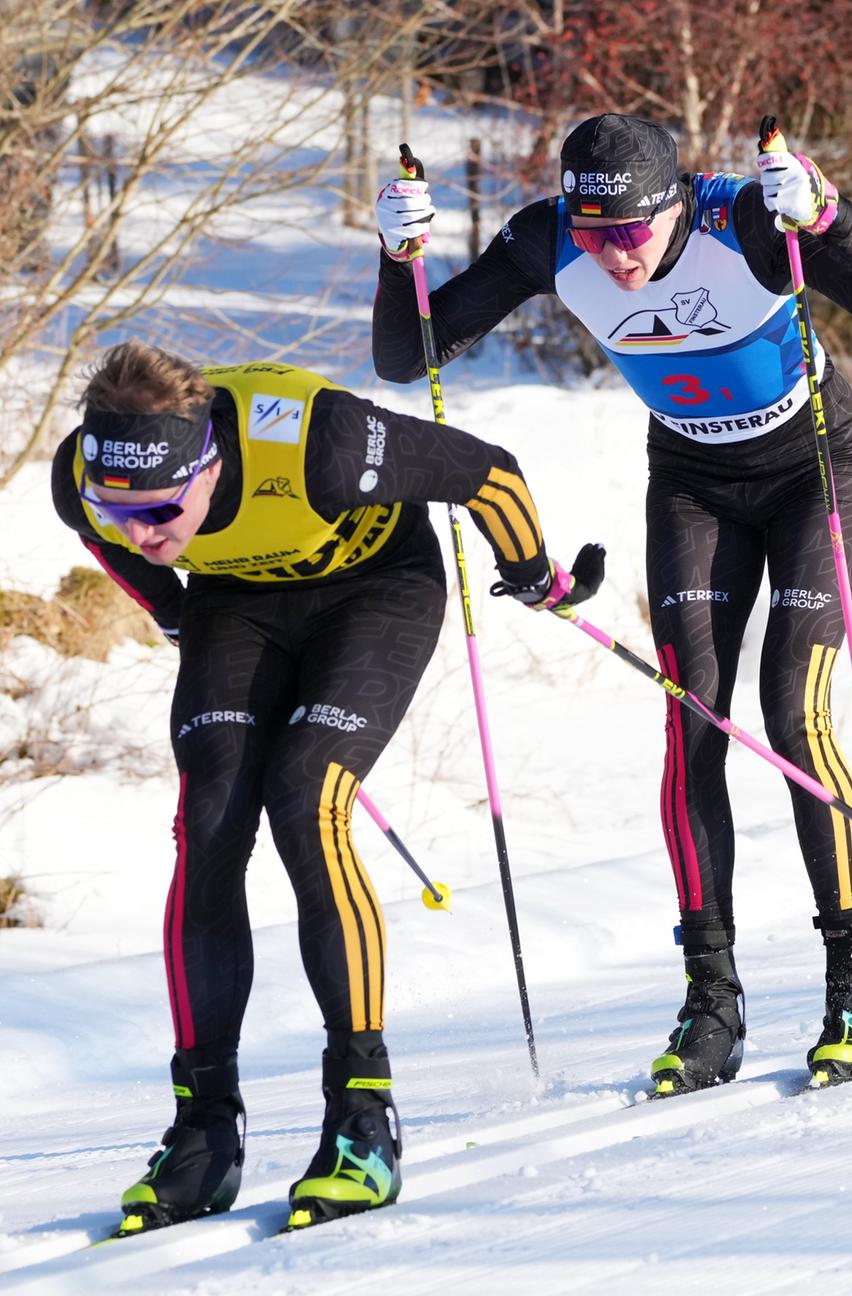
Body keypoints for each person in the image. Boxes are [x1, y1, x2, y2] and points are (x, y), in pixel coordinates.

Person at [372, 114, 852, 1095]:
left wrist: (830, 218)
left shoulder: (745, 220)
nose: (613, 255)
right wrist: (398, 259)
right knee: (693, 723)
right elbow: (409, 356)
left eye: (631, 231)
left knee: (795, 715)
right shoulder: (546, 240)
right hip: (691, 483)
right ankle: (710, 1000)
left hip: (809, 468)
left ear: (675, 205)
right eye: (593, 234)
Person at [51, 341, 603, 1234]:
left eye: (159, 509)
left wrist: (534, 573)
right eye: (122, 510)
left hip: (377, 590)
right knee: (208, 820)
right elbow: (103, 536)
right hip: (235, 599)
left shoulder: (323, 446)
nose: (142, 531)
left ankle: (361, 1117)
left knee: (307, 800)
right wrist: (174, 606)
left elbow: (490, 475)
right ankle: (203, 1129)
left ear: (210, 464)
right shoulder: (87, 478)